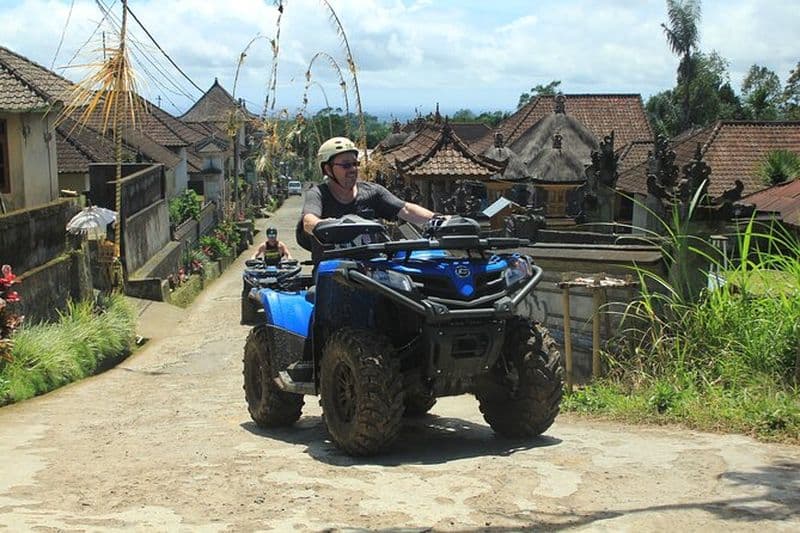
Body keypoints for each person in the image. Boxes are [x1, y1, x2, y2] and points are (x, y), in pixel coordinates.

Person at [301, 137, 438, 259]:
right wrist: (324, 226)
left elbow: (406, 209)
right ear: (327, 169)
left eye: (355, 164)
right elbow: (308, 221)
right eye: (346, 165)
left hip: (374, 274)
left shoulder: (372, 192)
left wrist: (439, 220)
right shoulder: (318, 194)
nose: (353, 169)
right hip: (332, 275)